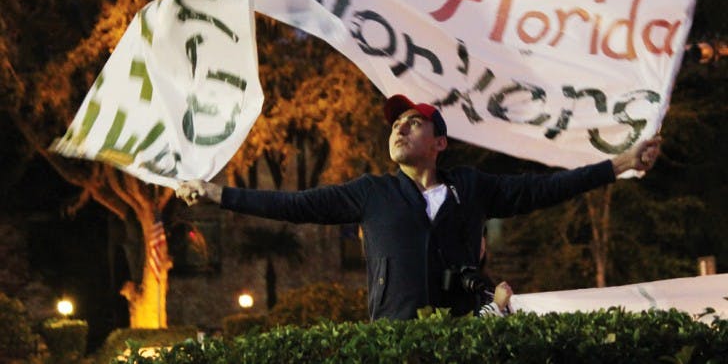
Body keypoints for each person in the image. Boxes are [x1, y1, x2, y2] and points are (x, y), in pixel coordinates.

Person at [176, 94, 661, 321]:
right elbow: (296, 204)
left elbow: (542, 190)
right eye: (395, 126)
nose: (399, 129)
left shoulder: (470, 188)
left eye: (412, 123)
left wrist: (618, 164)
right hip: (394, 342)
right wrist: (218, 193)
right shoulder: (372, 193)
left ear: (440, 142)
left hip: (462, 336)